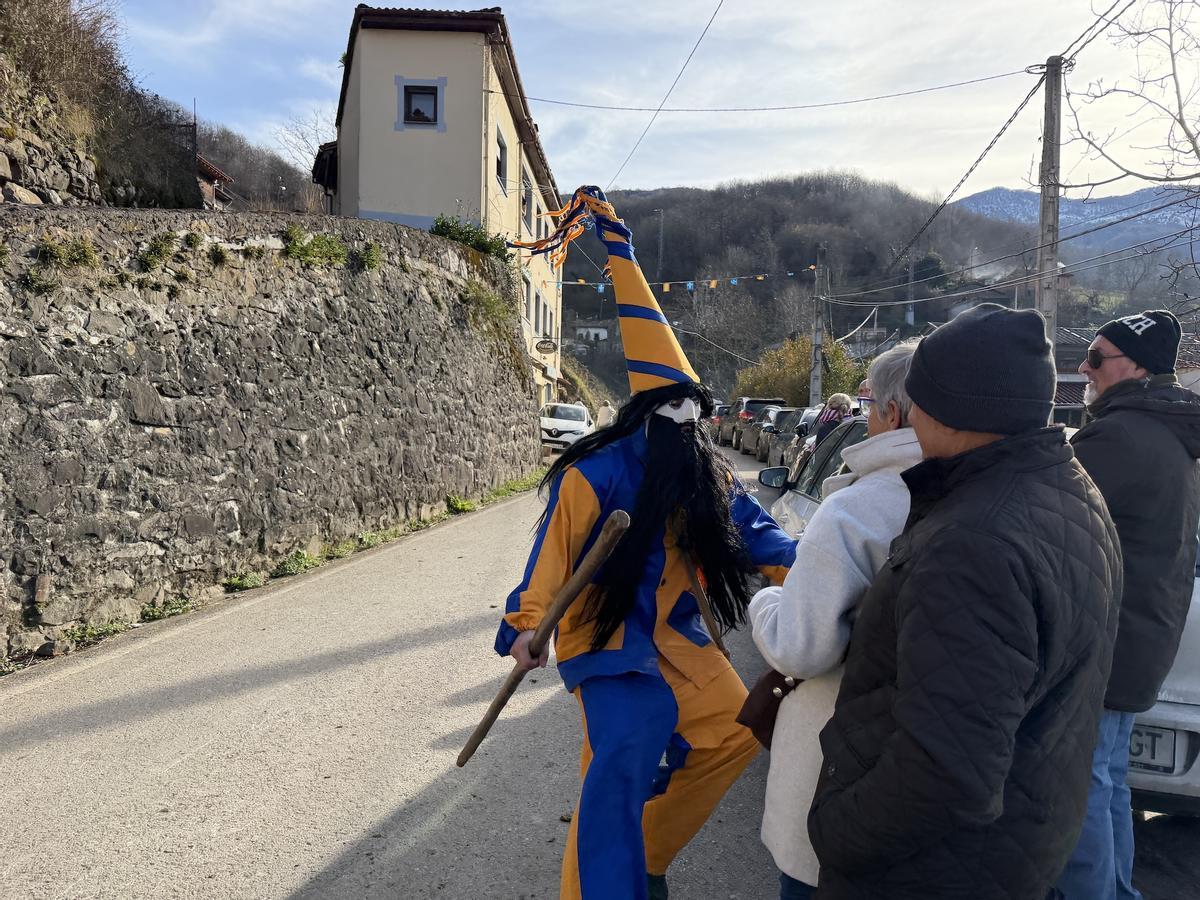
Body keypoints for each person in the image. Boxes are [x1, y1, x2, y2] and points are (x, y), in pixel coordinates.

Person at [496, 187, 797, 900]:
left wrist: (805, 569)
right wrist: (525, 626)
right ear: (649, 415)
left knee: (733, 730)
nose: (690, 429)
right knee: (623, 757)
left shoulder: (703, 474)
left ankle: (644, 857)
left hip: (682, 639)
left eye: (698, 417)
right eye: (679, 416)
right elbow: (551, 561)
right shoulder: (593, 476)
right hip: (607, 643)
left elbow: (757, 534)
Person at [808, 303, 1121, 899]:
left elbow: (946, 773)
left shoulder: (973, 545)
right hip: (1013, 850)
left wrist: (834, 831)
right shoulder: (1070, 490)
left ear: (942, 409)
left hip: (931, 872)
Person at [748, 342, 923, 900]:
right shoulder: (979, 492)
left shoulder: (860, 507)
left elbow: (800, 646)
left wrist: (766, 603)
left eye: (869, 404)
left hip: (838, 756)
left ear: (891, 414)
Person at [1056, 310, 1200, 900]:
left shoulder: (1118, 436)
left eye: (1096, 358)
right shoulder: (1168, 432)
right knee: (1110, 780)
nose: (1084, 369)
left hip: (1113, 637)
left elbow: (1054, 514)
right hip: (1147, 634)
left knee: (1080, 782)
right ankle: (1116, 890)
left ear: (1137, 367)